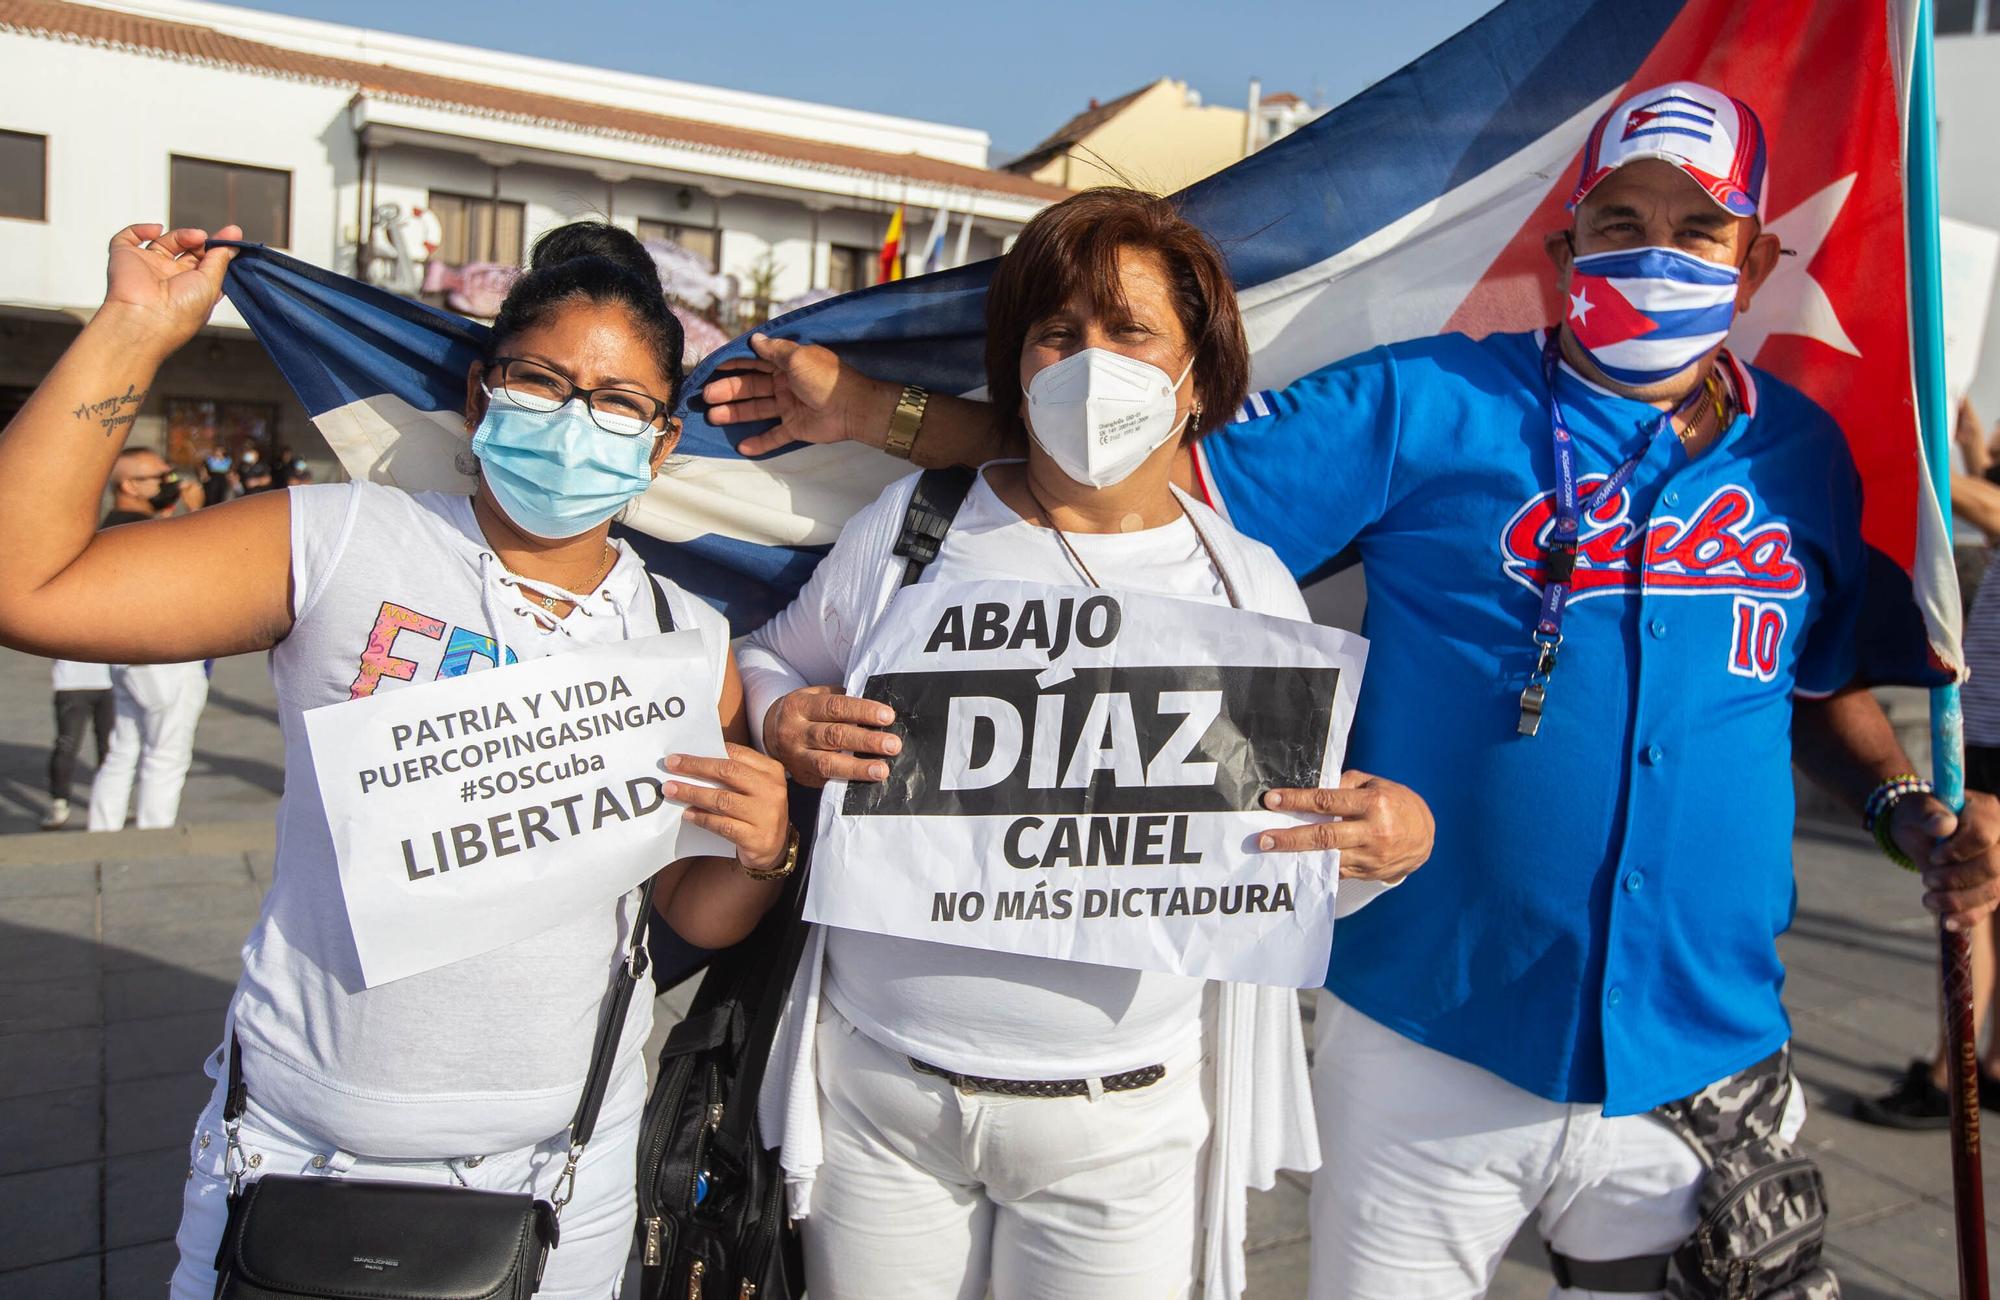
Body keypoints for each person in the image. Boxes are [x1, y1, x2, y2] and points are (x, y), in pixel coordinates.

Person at [704, 82, 2000, 1297]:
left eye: (1697, 231)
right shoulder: (1422, 399)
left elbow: (1820, 686)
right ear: (1564, 246)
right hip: (1432, 1027)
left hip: (1700, 1043)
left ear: (1756, 259)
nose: (1655, 254)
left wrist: (1903, 812)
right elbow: (1129, 465)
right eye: (1622, 223)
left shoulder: (1805, 455)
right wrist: (882, 413)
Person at [0, 218, 794, 1299]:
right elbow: (27, 584)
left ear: (659, 446)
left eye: (617, 403)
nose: (574, 422)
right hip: (295, 1146)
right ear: (478, 397)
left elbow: (680, 916)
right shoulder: (340, 542)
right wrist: (136, 328)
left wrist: (758, 854)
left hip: (559, 1172)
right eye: (540, 382)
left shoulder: (688, 638)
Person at [740, 187, 1435, 1300]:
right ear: (1016, 363)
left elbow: (1278, 863)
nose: (1088, 360)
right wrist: (782, 717)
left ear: (1195, 377)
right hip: (880, 1101)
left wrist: (1383, 845)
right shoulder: (918, 529)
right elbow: (763, 656)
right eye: (1057, 331)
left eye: (1129, 331)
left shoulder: (1244, 586)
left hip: (1125, 1130)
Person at [1861, 396, 2000, 1127]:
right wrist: (1971, 453)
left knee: (1970, 896)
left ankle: (1953, 1077)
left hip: (1996, 724)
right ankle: (1993, 1064)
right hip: (1987, 717)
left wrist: (1925, 462)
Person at [84, 447, 213, 831]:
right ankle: (154, 839)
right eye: (160, 477)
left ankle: (102, 831)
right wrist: (198, 515)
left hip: (127, 657)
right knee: (166, 756)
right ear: (130, 485)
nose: (170, 483)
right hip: (163, 659)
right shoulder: (145, 532)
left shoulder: (111, 526)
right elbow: (205, 571)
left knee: (123, 750)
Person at [43, 657, 113, 829]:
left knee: (111, 747)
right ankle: (59, 802)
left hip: (111, 682)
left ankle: (110, 800)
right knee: (67, 745)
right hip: (71, 683)